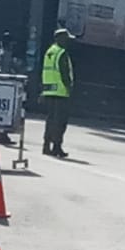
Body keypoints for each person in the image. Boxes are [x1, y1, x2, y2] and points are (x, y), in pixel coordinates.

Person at [39, 26, 75, 159]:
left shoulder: (49, 52)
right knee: (60, 121)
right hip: (61, 92)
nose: (68, 42)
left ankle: (46, 145)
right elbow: (64, 72)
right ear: (59, 39)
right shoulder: (61, 53)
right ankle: (57, 147)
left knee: (50, 120)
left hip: (49, 91)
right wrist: (69, 88)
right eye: (66, 39)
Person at [0, 34, 23, 146]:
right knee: (4, 110)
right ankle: (0, 134)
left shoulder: (3, 53)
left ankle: (2, 134)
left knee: (5, 111)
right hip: (5, 85)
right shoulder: (4, 53)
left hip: (5, 84)